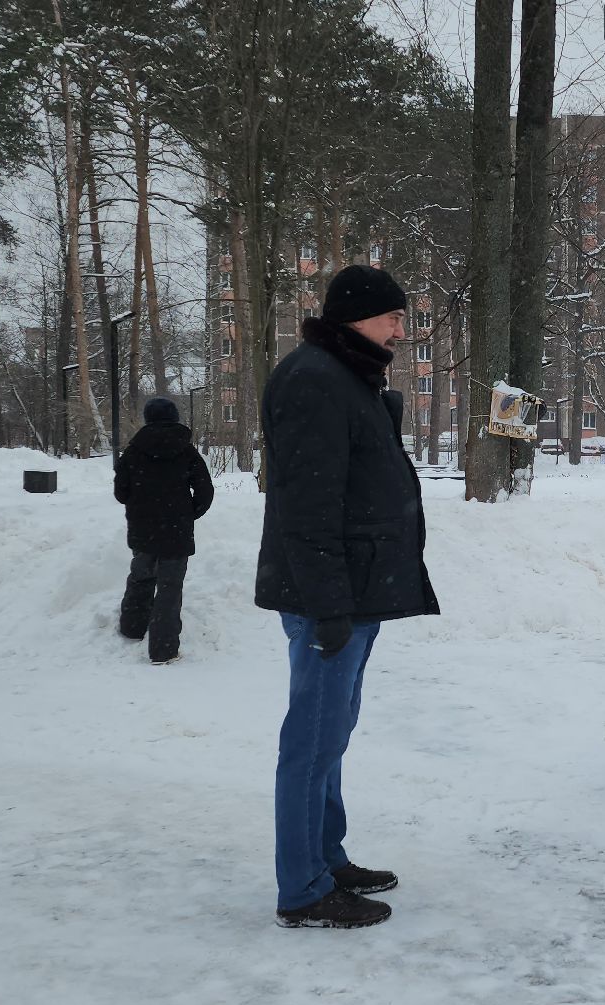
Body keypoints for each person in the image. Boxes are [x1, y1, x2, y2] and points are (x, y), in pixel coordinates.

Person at [256, 264, 438, 929]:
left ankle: (325, 857)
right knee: (310, 741)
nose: (400, 328)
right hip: (327, 599)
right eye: (392, 316)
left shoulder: (344, 376)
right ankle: (302, 888)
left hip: (353, 593)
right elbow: (307, 509)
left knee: (331, 735)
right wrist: (328, 606)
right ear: (357, 316)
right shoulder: (314, 382)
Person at [114, 396, 214, 665]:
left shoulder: (133, 452)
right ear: (174, 418)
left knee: (140, 577)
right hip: (176, 531)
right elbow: (205, 490)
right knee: (170, 589)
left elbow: (120, 492)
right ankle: (163, 650)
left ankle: (132, 628)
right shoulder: (187, 451)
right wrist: (187, 514)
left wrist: (140, 505)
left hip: (143, 529)